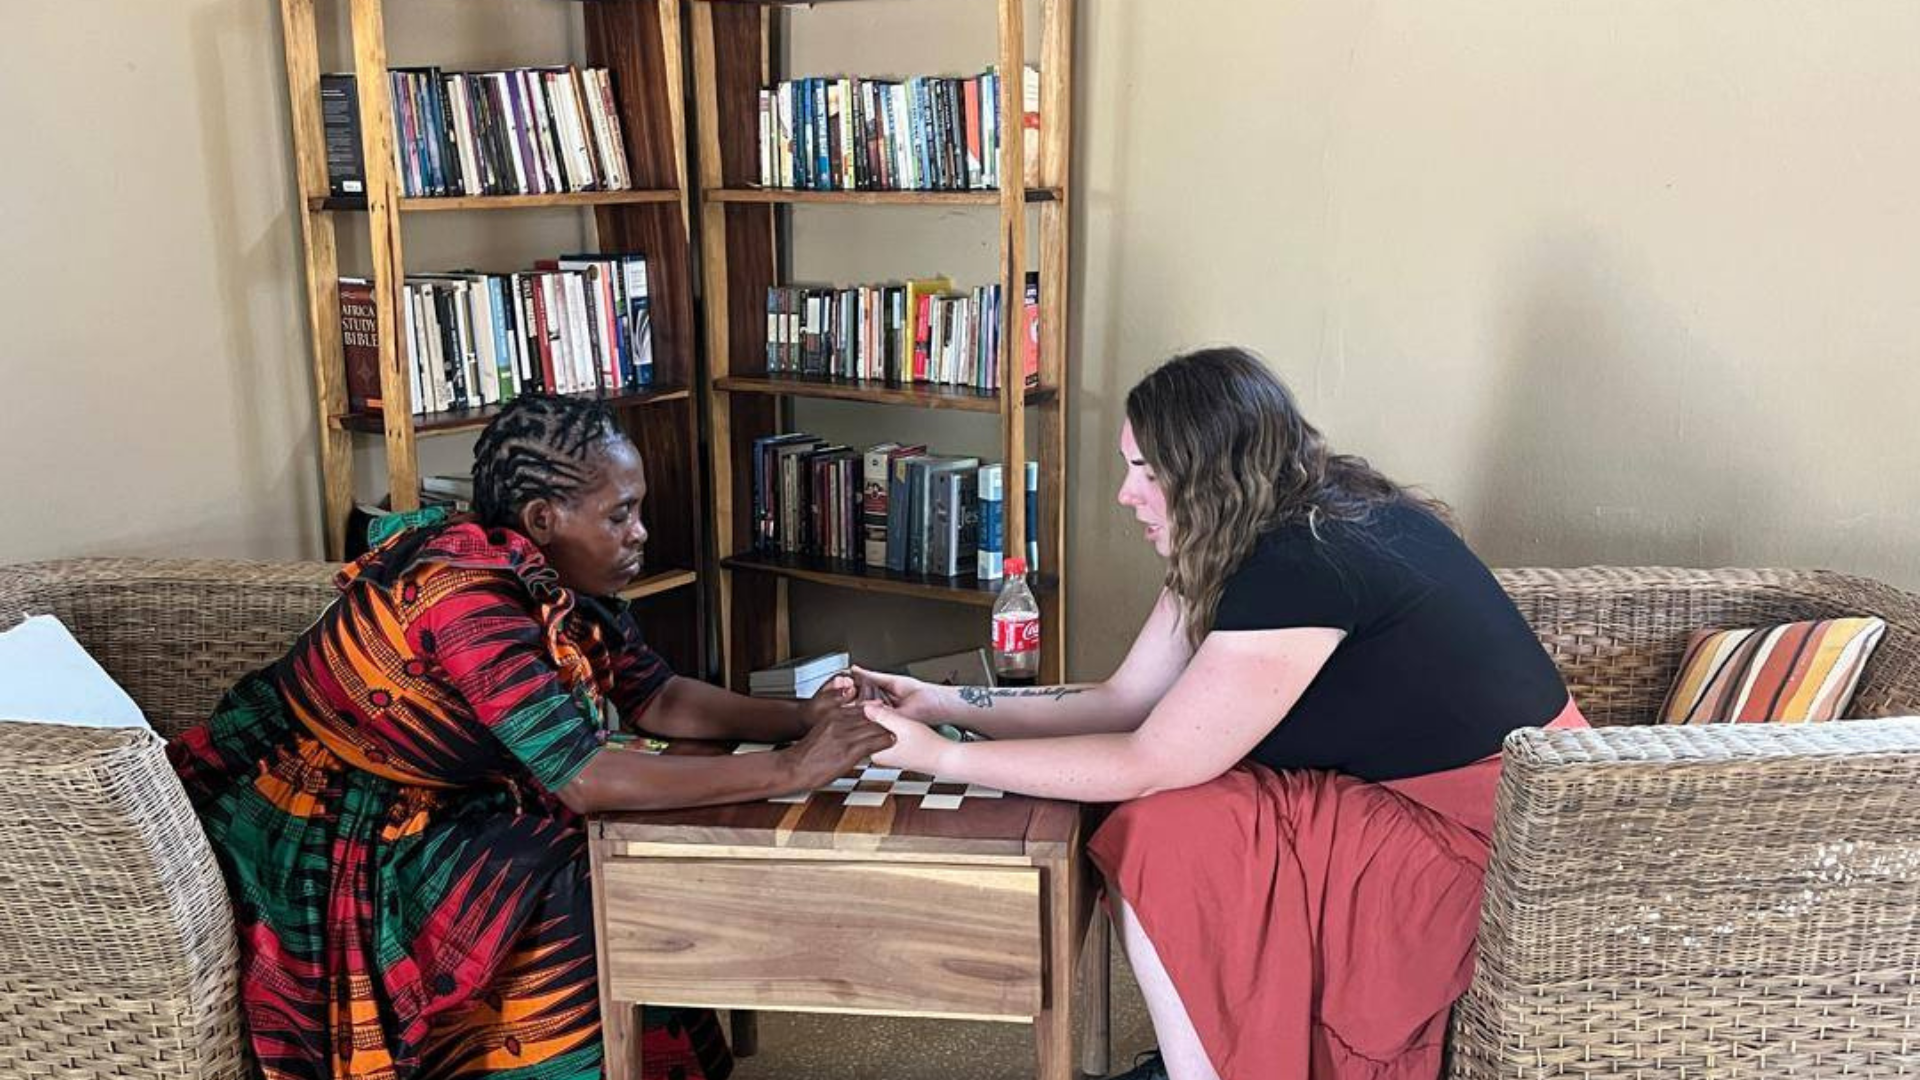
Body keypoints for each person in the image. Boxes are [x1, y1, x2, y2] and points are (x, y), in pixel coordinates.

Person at [854, 347, 1588, 1080]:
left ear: (1210, 474)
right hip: (1442, 803)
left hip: (1495, 845)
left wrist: (937, 755)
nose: (1124, 494)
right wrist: (943, 704)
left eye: (1145, 472)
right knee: (1163, 805)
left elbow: (1147, 762)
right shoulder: (1265, 519)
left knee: (1161, 827)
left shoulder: (1304, 563)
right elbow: (1125, 700)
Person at [170, 394, 894, 1080]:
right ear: (544, 517)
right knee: (575, 871)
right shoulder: (465, 596)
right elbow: (582, 777)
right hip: (338, 824)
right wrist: (790, 768)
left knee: (633, 844)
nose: (640, 531)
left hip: (455, 791)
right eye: (621, 515)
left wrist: (802, 717)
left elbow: (660, 697)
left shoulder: (549, 581)